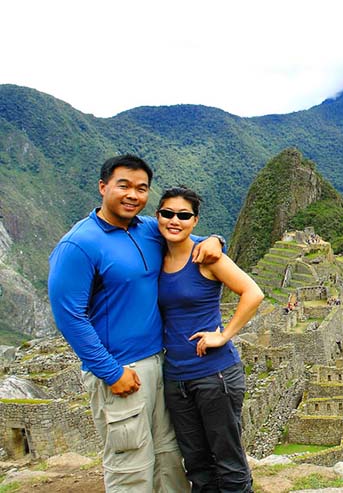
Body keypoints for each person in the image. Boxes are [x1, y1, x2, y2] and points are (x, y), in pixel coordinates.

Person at [48, 154, 224, 492]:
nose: (133, 195)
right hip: (121, 366)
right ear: (103, 187)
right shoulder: (79, 244)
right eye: (123, 186)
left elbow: (187, 237)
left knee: (169, 456)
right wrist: (110, 372)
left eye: (141, 189)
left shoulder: (147, 230)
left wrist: (216, 239)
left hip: (162, 363)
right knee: (131, 463)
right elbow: (69, 316)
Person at [156, 186, 264, 492]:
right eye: (167, 213)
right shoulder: (156, 254)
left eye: (183, 215)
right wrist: (219, 238)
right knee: (196, 463)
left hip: (214, 375)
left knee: (227, 459)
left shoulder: (205, 256)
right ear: (158, 216)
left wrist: (224, 335)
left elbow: (253, 293)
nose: (174, 220)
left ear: (194, 220)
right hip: (176, 378)